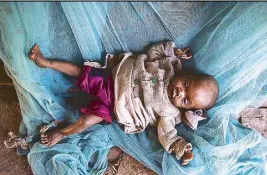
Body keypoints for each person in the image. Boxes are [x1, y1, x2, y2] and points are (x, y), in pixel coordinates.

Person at [29, 42, 218, 165]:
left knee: (87, 121)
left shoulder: (170, 113)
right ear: (186, 74)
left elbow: (168, 134)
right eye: (185, 84)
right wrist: (173, 52)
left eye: (185, 99)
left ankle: (62, 133)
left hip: (114, 106)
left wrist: (181, 148)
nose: (179, 92)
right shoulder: (167, 66)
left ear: (185, 108)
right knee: (80, 71)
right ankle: (46, 62)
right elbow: (154, 51)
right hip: (112, 79)